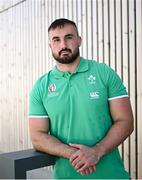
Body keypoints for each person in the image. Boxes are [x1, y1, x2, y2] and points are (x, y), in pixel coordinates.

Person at [28, 18, 134, 179]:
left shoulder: (104, 73)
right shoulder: (41, 87)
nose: (63, 45)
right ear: (50, 46)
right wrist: (76, 155)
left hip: (111, 175)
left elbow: (125, 121)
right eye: (56, 40)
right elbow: (38, 136)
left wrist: (96, 151)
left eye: (69, 37)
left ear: (79, 40)